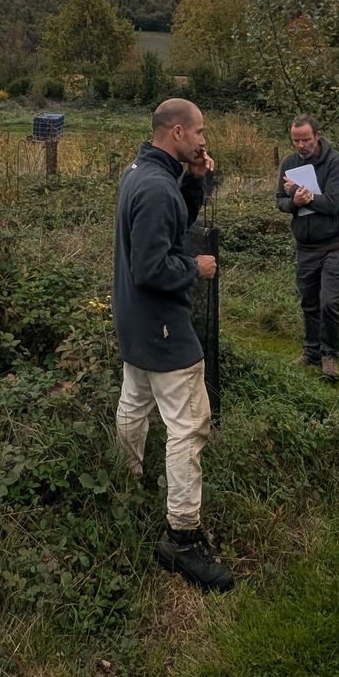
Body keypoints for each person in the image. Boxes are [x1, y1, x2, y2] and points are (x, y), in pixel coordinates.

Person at [113, 98, 234, 591]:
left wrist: (198, 180)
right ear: (177, 131)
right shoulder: (158, 186)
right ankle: (182, 537)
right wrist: (196, 269)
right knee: (189, 425)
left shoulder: (140, 172)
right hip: (163, 325)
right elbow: (152, 267)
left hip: (134, 322)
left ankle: (125, 484)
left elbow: (173, 221)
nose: (205, 140)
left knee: (135, 402)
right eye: (200, 132)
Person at [276, 113, 339, 382]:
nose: (300, 145)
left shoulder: (335, 162)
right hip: (305, 246)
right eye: (296, 140)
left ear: (317, 136)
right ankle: (311, 352)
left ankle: (330, 356)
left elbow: (332, 204)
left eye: (305, 139)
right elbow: (279, 201)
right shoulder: (288, 162)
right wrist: (295, 202)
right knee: (309, 302)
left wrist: (299, 192)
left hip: (335, 243)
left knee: (329, 302)